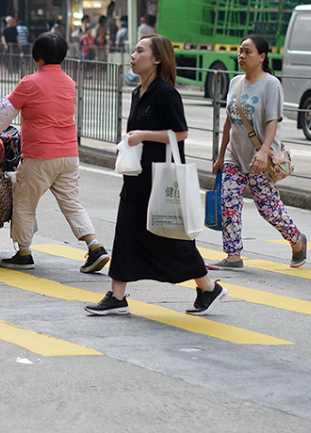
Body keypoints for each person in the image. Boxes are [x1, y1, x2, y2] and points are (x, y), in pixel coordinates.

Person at [85, 35, 227, 317]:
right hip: (137, 176)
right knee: (126, 232)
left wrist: (143, 136)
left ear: (157, 59)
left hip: (160, 180)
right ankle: (117, 295)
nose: (134, 55)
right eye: (134, 50)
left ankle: (209, 288)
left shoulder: (165, 93)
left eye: (140, 51)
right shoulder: (138, 92)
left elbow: (181, 132)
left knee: (173, 239)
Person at [0, 32, 108, 274]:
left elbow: (4, 113)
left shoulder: (29, 83)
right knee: (71, 203)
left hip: (39, 155)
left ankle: (24, 252)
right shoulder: (69, 82)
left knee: (25, 203)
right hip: (69, 155)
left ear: (36, 57)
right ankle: (95, 246)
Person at [210, 36, 308, 270]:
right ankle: (233, 256)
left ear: (262, 57)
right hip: (236, 155)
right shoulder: (235, 82)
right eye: (240, 51)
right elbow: (228, 123)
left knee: (268, 209)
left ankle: (297, 241)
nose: (241, 56)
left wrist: (264, 152)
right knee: (229, 202)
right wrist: (221, 155)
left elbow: (273, 121)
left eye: (248, 52)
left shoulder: (271, 84)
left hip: (260, 158)